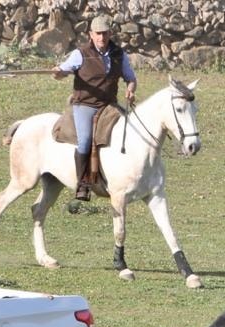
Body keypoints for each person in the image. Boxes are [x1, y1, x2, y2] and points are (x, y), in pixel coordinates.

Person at [52, 15, 137, 201]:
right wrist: (58, 72)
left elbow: (131, 78)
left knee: (127, 130)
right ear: (91, 34)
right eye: (98, 34)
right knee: (84, 140)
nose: (102, 38)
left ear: (110, 33)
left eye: (105, 33)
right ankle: (83, 183)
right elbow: (63, 71)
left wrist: (130, 90)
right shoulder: (80, 54)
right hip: (86, 104)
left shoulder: (118, 54)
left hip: (109, 105)